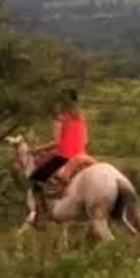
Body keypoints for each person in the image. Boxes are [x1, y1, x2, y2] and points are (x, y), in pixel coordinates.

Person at [27, 88, 87, 218]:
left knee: (35, 179)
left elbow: (57, 143)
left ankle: (42, 212)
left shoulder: (61, 118)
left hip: (64, 158)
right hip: (83, 156)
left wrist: (38, 149)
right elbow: (85, 140)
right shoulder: (82, 118)